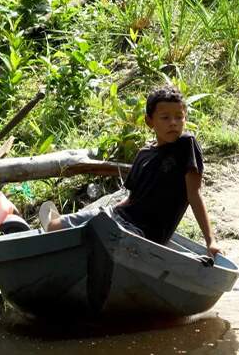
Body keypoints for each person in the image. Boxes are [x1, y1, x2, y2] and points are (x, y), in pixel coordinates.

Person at [43, 86, 221, 257]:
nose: (173, 123)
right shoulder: (144, 154)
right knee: (54, 226)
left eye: (179, 117)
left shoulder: (186, 144)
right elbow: (132, 198)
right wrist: (107, 211)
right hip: (116, 216)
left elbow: (194, 194)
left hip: (141, 232)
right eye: (165, 117)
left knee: (99, 243)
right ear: (149, 121)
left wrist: (210, 241)